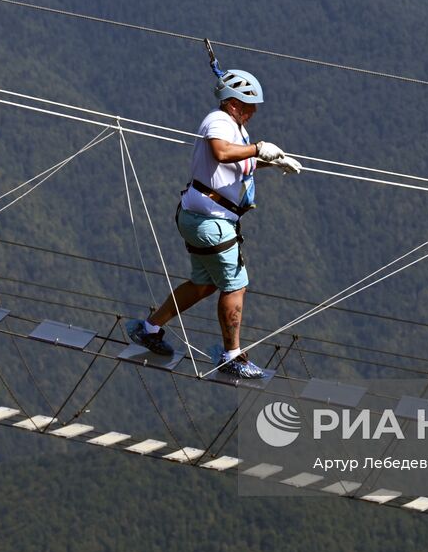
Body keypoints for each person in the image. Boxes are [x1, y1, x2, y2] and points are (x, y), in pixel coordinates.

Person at [126, 69, 301, 378]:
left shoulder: (236, 129)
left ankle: (149, 328)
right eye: (248, 106)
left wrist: (270, 161)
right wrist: (259, 149)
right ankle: (231, 355)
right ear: (232, 104)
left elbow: (238, 162)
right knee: (236, 285)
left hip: (202, 217)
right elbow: (221, 153)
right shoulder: (219, 121)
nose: (253, 112)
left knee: (204, 284)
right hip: (211, 220)